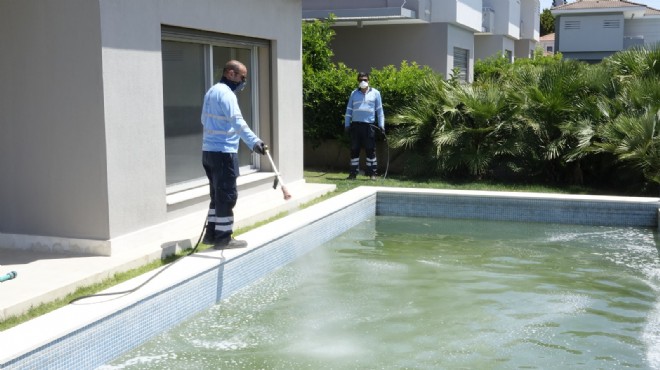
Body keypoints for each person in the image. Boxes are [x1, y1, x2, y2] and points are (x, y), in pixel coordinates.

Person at [200, 60, 267, 249]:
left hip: (209, 153)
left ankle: (211, 234)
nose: (243, 82)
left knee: (216, 195)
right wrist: (255, 142)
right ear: (230, 73)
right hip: (224, 154)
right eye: (242, 77)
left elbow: (203, 119)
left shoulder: (211, 91)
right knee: (228, 196)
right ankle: (224, 238)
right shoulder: (227, 95)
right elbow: (238, 122)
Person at [344, 71, 385, 180]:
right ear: (358, 81)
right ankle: (353, 173)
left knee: (370, 150)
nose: (363, 82)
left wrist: (381, 125)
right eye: (361, 80)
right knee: (354, 149)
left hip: (369, 127)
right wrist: (347, 124)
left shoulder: (376, 93)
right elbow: (349, 110)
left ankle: (372, 174)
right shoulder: (354, 93)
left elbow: (380, 111)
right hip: (356, 126)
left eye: (365, 80)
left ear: (368, 80)